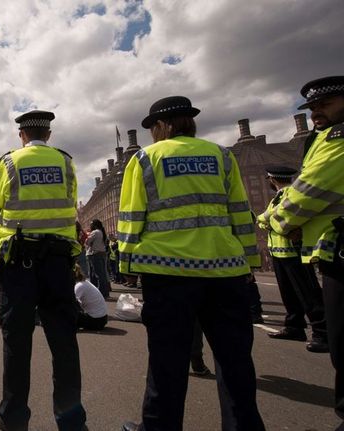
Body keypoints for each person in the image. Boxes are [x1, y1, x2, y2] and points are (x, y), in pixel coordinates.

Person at [118, 96, 265, 431]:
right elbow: (241, 214)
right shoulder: (222, 156)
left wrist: (127, 265)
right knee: (236, 363)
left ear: (162, 126)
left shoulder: (145, 159)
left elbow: (131, 218)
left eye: (153, 128)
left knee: (167, 363)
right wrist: (249, 263)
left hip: (167, 272)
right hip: (226, 271)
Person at [0, 110, 87, 431]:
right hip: (58, 263)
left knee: (17, 343)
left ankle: (14, 418)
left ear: (21, 134)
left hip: (19, 262)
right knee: (64, 342)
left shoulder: (7, 164)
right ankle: (71, 420)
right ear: (48, 134)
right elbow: (70, 202)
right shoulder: (65, 163)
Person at [261, 76, 344, 420]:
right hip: (323, 248)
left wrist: (278, 221)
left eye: (325, 104)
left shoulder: (339, 139)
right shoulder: (323, 137)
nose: (316, 113)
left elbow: (309, 190)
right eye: (312, 108)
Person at [258, 165, 328, 352]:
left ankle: (322, 331)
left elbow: (279, 217)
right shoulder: (277, 198)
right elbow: (265, 218)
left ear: (272, 180)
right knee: (289, 294)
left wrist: (270, 221)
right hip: (279, 252)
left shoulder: (291, 194)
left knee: (308, 293)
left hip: (295, 252)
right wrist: (270, 221)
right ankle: (294, 326)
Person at [72, 266, 107, 331]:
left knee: (67, 311)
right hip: (102, 319)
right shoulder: (84, 282)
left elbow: (71, 303)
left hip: (96, 321)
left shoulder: (79, 286)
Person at [86, 219, 111, 298]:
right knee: (102, 274)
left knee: (97, 274)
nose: (90, 226)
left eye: (91, 224)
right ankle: (104, 292)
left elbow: (87, 242)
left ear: (95, 225)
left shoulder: (95, 232)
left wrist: (87, 235)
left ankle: (101, 293)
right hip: (101, 253)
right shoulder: (102, 232)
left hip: (95, 254)